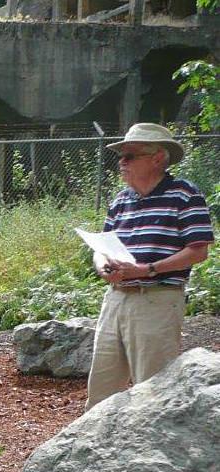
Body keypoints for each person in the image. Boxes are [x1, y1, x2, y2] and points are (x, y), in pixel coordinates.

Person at [86, 123, 214, 411]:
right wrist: (103, 266)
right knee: (101, 392)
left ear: (157, 158)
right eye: (120, 156)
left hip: (157, 300)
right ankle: (98, 452)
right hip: (115, 300)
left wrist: (147, 270)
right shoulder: (120, 200)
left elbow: (198, 251)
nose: (122, 162)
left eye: (130, 155)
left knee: (154, 391)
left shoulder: (184, 195)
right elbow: (101, 248)